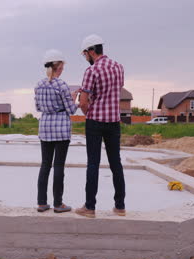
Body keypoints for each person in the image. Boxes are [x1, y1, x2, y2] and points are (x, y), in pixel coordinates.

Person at [75, 34, 126, 218]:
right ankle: (120, 206)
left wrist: (88, 113)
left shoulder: (92, 71)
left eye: (85, 54)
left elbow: (83, 101)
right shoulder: (119, 67)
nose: (85, 57)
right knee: (116, 163)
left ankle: (90, 207)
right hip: (114, 122)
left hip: (95, 121)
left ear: (90, 51)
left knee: (93, 164)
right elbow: (117, 91)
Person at [34, 49, 79, 213]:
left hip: (45, 127)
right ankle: (58, 204)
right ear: (58, 66)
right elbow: (71, 110)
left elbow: (38, 107)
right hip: (61, 129)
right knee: (58, 166)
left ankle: (41, 203)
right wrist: (74, 100)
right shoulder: (62, 85)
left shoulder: (39, 85)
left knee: (45, 165)